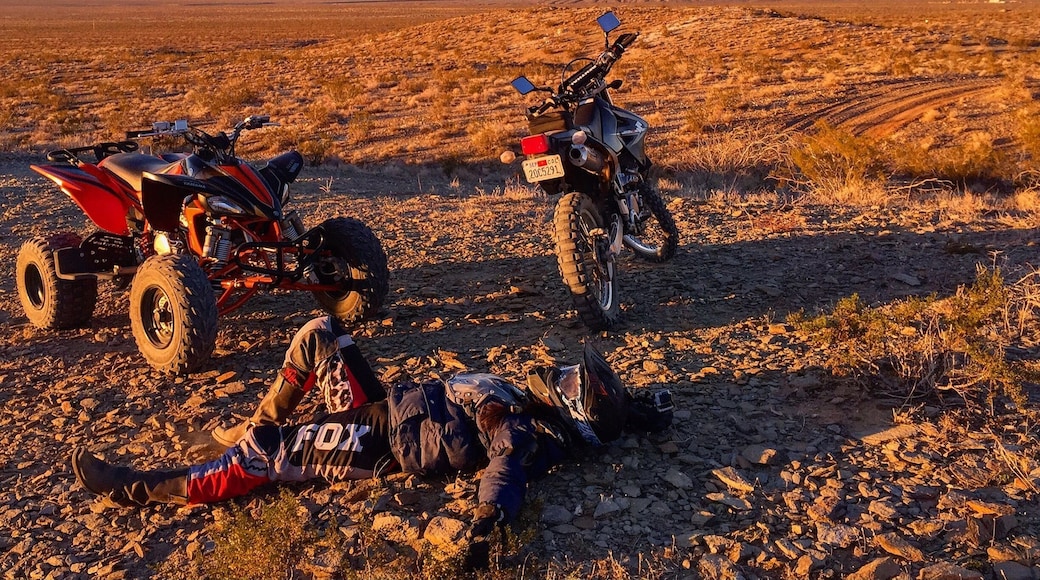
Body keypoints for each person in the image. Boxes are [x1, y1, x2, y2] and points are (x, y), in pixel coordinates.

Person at [71, 344, 673, 564]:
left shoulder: (515, 426)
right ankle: (257, 424)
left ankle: (134, 484)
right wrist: (641, 411)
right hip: (384, 402)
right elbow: (605, 419)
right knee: (321, 337)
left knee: (262, 462)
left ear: (571, 414)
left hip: (374, 443)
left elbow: (505, 471)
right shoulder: (523, 402)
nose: (562, 375)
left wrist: (486, 526)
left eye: (571, 385)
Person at [210, 315, 386, 447]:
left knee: (318, 333)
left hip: (366, 430)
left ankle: (258, 429)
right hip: (390, 416)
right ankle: (260, 425)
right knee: (321, 331)